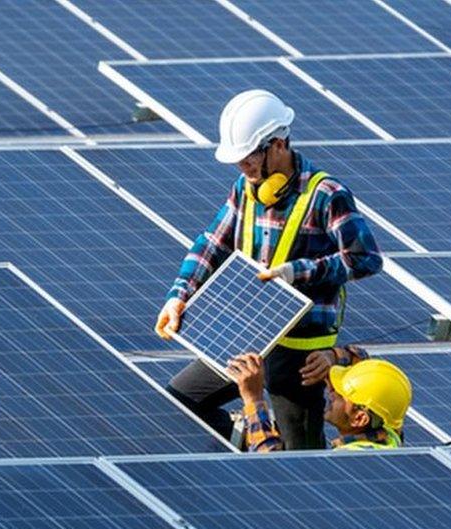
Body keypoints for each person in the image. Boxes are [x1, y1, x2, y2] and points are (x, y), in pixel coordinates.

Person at [154, 89, 383, 449]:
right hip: (247, 335)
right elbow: (212, 243)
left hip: (300, 354)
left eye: (248, 160)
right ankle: (248, 438)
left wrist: (297, 272)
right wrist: (178, 296)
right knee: (180, 399)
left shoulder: (326, 194)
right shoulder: (245, 190)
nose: (243, 169)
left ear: (277, 145)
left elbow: (366, 258)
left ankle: (266, 449)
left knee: (298, 461)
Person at [226, 351, 411, 451]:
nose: (329, 391)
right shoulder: (390, 431)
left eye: (339, 394)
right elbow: (363, 360)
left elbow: (270, 467)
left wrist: (253, 399)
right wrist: (332, 356)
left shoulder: (348, 460)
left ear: (360, 419)